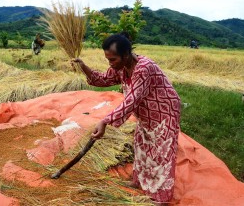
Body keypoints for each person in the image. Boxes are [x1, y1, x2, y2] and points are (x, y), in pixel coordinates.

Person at [72, 33, 181, 206]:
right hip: (145, 113)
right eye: (108, 59)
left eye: (113, 59)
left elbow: (132, 100)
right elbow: (102, 79)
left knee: (161, 153)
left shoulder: (144, 68)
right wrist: (83, 66)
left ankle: (161, 198)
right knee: (143, 147)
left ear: (126, 55)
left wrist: (105, 121)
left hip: (164, 112)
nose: (110, 64)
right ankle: (139, 182)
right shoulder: (121, 67)